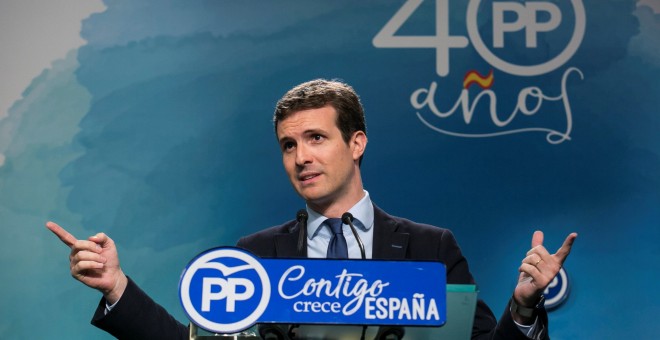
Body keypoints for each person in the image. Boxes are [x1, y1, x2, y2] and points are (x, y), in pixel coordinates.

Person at [47, 79, 577, 339]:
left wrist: (524, 306)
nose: (301, 157)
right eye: (288, 145)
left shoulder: (429, 247)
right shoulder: (255, 256)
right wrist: (118, 287)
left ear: (357, 143)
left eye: (316, 138)